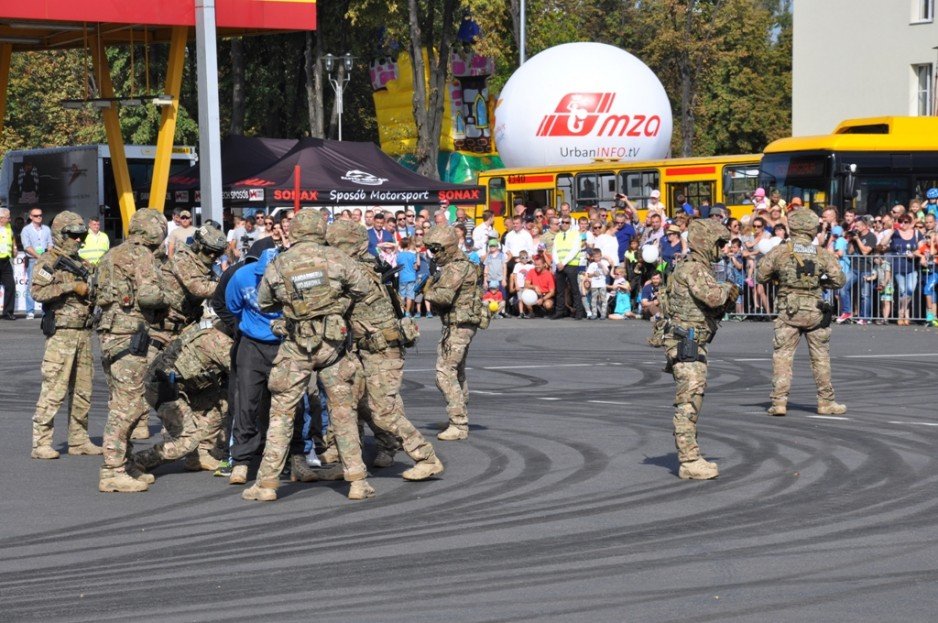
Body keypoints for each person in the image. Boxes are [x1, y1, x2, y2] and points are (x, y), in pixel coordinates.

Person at [241, 209, 374, 502]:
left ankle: (266, 485)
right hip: (333, 345)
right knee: (342, 412)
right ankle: (357, 481)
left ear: (296, 232)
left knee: (281, 414)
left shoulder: (281, 262)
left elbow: (264, 302)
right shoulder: (337, 259)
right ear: (321, 231)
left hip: (296, 345)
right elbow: (364, 288)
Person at [325, 220, 444, 480]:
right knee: (351, 404)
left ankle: (426, 457)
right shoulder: (363, 266)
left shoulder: (355, 272)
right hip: (364, 349)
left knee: (382, 411)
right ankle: (347, 461)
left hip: (382, 350)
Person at [655, 219, 737, 480]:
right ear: (706, 241)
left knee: (694, 398)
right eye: (719, 243)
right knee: (688, 401)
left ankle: (691, 455)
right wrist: (730, 289)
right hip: (685, 340)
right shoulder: (693, 269)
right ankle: (689, 460)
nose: (722, 249)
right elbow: (713, 297)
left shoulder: (695, 266)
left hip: (690, 339)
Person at [95, 208, 169, 493]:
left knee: (122, 401)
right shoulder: (143, 256)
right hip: (130, 336)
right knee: (127, 407)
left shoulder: (111, 254)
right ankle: (112, 470)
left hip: (111, 334)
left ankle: (124, 463)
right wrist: (166, 298)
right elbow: (149, 295)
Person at [757, 208, 846, 417]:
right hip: (815, 310)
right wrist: (821, 281)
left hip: (788, 310)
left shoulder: (781, 251)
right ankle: (826, 402)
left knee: (782, 356)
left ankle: (779, 402)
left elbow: (760, 275)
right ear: (813, 229)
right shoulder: (821, 253)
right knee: (821, 357)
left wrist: (779, 278)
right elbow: (839, 280)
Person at [29, 211, 101, 459]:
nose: (79, 240)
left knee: (83, 391)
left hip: (83, 332)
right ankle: (41, 442)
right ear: (61, 235)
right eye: (74, 235)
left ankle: (79, 439)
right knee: (54, 390)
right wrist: (70, 286)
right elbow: (37, 292)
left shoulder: (82, 264)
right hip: (61, 334)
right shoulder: (48, 262)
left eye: (81, 236)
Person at [131, 322, 232, 477]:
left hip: (186, 386)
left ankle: (200, 455)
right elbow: (245, 373)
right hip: (164, 390)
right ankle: (138, 461)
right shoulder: (220, 341)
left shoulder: (210, 328)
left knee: (222, 399)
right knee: (186, 440)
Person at [423, 225, 488, 441]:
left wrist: (427, 291)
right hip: (459, 324)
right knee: (456, 372)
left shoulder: (455, 268)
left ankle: (458, 422)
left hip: (459, 325)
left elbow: (443, 297)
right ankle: (460, 414)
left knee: (444, 373)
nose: (434, 255)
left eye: (436, 250)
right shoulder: (461, 265)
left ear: (447, 248)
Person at [21, 207, 53, 319]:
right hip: (33, 260)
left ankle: (45, 311)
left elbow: (50, 243)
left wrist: (47, 255)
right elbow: (27, 247)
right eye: (36, 215)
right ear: (31, 217)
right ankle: (30, 310)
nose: (39, 217)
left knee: (45, 284)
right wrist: (39, 256)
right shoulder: (26, 230)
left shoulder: (46, 229)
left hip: (45, 260)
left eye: (40, 215)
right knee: (31, 284)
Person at [551, 215, 586, 319]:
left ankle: (579, 312)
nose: (565, 224)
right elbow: (554, 250)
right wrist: (557, 262)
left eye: (567, 222)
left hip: (571, 264)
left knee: (574, 290)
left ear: (570, 224)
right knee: (560, 290)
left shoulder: (575, 234)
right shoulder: (558, 235)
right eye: (563, 222)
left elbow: (575, 249)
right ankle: (560, 311)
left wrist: (564, 262)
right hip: (559, 265)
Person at [0, 207, 17, 320]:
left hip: (5, 261)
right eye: (8, 217)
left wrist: (14, 247)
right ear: (1, 218)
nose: (10, 219)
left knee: (10, 285)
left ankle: (8, 312)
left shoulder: (8, 227)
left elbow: (12, 238)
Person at [396, 237, 419, 317]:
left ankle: (402, 310)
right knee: (410, 295)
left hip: (402, 277)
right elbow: (416, 267)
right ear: (409, 245)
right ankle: (408, 312)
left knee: (402, 295)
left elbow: (398, 265)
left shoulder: (399, 255)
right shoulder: (412, 255)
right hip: (411, 277)